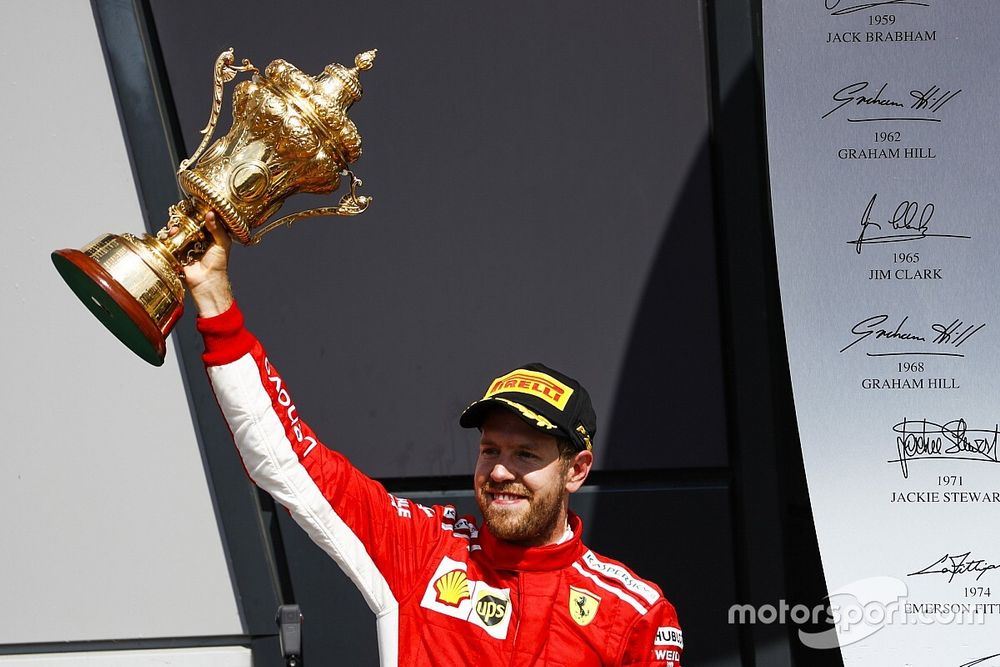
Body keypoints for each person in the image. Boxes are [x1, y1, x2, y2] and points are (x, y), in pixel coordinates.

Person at [185, 213, 684, 666]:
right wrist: (214, 299)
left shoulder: (635, 613)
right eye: (490, 450)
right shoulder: (423, 550)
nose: (501, 471)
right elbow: (287, 459)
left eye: (525, 454)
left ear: (576, 469)